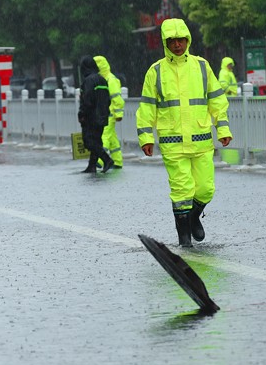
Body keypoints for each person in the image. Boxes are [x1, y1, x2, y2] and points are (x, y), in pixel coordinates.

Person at [136, 18, 233, 248]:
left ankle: (193, 218)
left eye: (181, 39)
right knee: (181, 190)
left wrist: (223, 128)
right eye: (172, 40)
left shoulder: (202, 66)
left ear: (188, 40)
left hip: (201, 140)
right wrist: (146, 137)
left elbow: (217, 100)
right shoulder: (156, 71)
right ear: (164, 42)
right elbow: (147, 107)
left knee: (206, 188)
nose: (177, 44)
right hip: (172, 142)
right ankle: (184, 239)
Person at [78, 55, 114, 173]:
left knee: (89, 141)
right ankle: (92, 166)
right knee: (97, 140)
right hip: (102, 116)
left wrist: (82, 113)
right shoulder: (102, 79)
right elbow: (107, 99)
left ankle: (106, 159)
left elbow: (87, 100)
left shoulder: (88, 81)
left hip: (91, 117)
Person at [94, 55, 124, 169]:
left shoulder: (111, 80)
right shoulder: (102, 79)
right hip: (104, 113)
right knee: (111, 137)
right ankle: (117, 161)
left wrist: (119, 114)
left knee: (104, 135)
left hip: (109, 114)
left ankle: (101, 160)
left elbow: (117, 98)